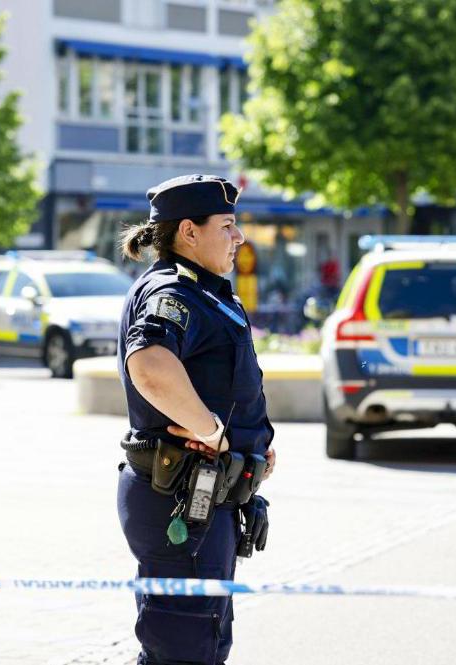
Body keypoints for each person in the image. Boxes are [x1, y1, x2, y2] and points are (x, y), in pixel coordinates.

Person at [116, 174, 276, 665]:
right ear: (189, 231)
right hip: (183, 500)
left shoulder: (205, 291)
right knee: (185, 653)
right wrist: (213, 433)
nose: (239, 238)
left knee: (197, 646)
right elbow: (149, 364)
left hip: (203, 500)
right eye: (227, 226)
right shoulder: (175, 290)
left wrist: (249, 444)